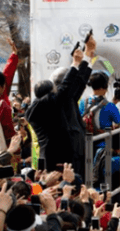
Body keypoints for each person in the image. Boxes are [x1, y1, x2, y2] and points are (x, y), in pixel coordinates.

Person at [26, 41, 94, 173]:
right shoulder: (38, 108)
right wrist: (75, 63)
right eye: (55, 90)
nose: (58, 92)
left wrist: (88, 58)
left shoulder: (54, 104)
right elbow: (65, 89)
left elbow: (78, 85)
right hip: (54, 160)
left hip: (69, 156)